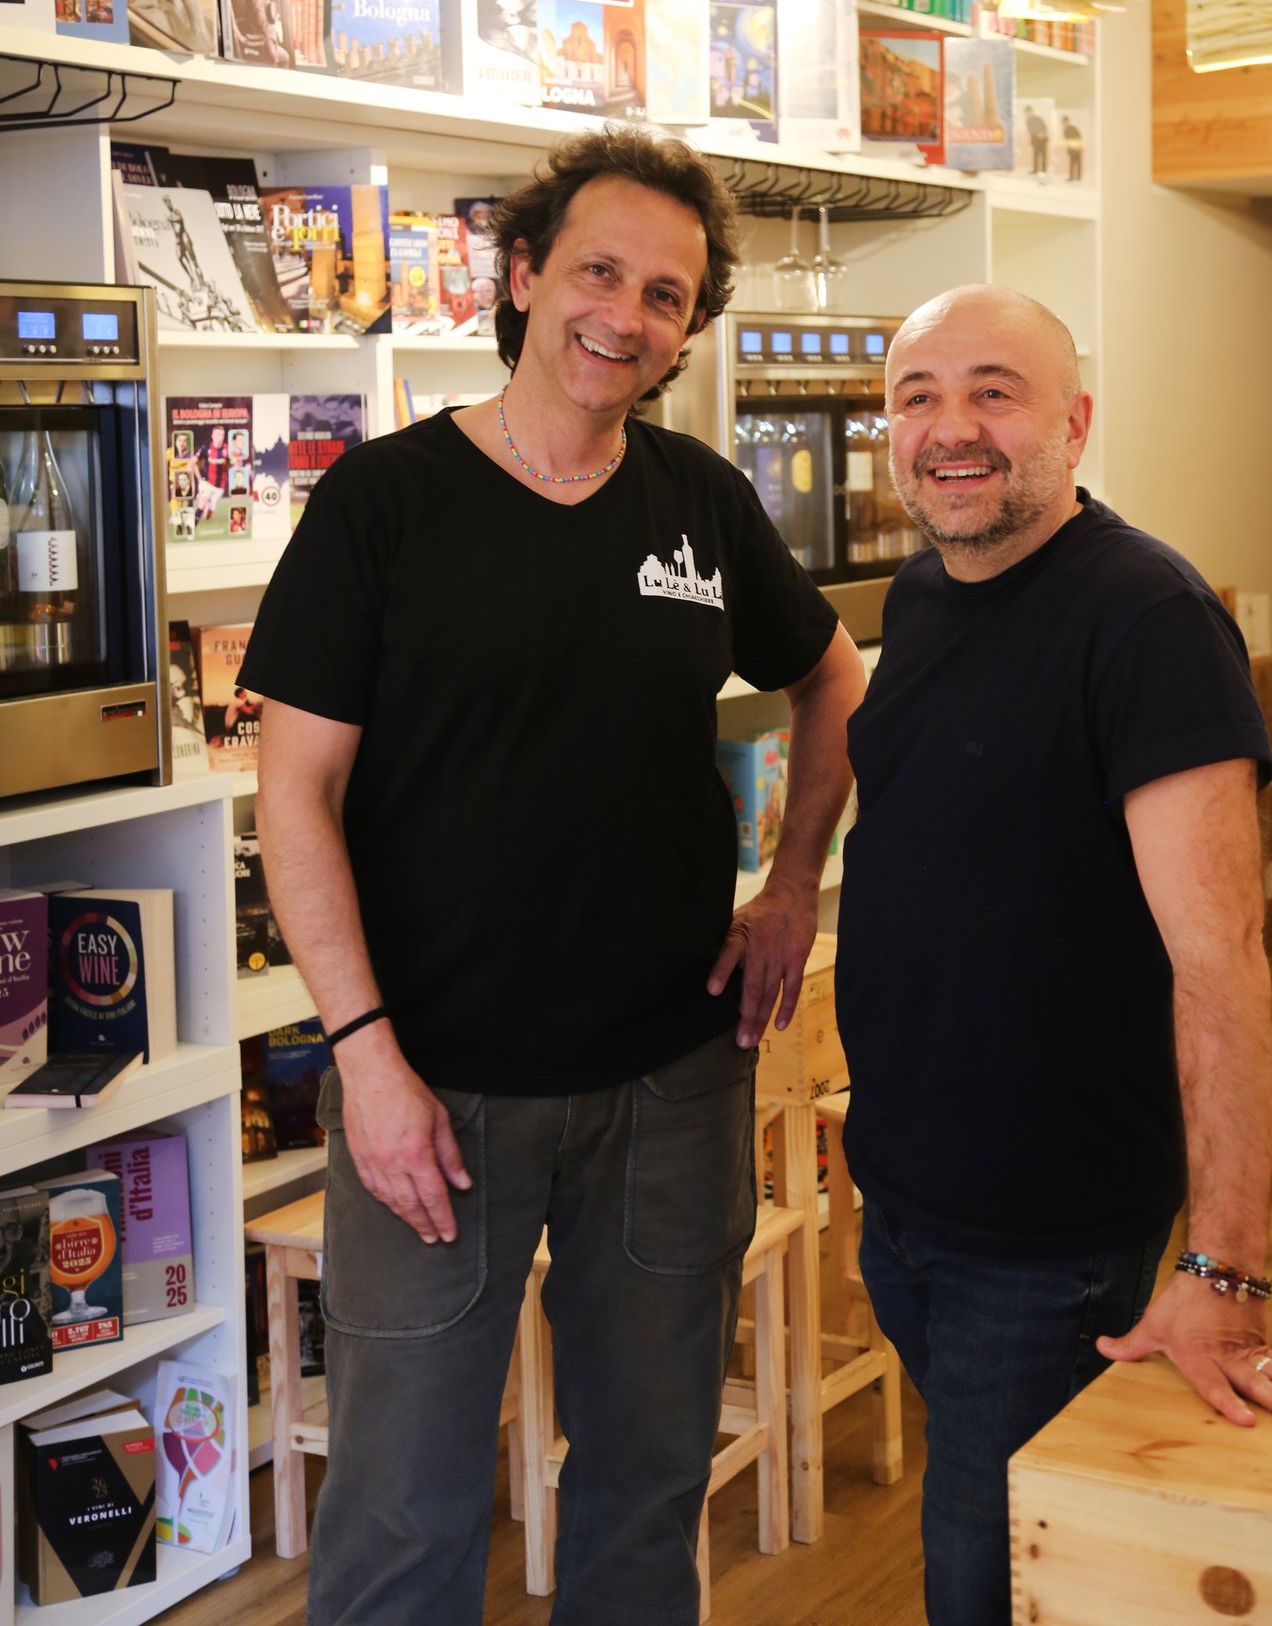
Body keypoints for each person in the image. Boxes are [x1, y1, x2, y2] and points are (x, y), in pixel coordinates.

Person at [242, 126, 866, 1626]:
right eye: (598, 270)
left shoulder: (703, 503)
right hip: (429, 1099)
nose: (627, 314)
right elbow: (296, 795)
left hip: (670, 1087)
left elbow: (837, 684)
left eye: (667, 294)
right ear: (522, 276)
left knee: (646, 1492)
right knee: (403, 1509)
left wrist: (791, 889)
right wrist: (364, 1057)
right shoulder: (382, 504)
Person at [833, 284, 1272, 1626]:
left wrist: (1223, 1271)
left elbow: (1222, 960)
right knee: (1001, 1552)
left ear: (1076, 422)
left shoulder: (1145, 618)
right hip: (911, 1202)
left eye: (994, 391)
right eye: (916, 395)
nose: (950, 428)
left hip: (1043, 1233)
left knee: (986, 1581)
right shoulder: (929, 594)